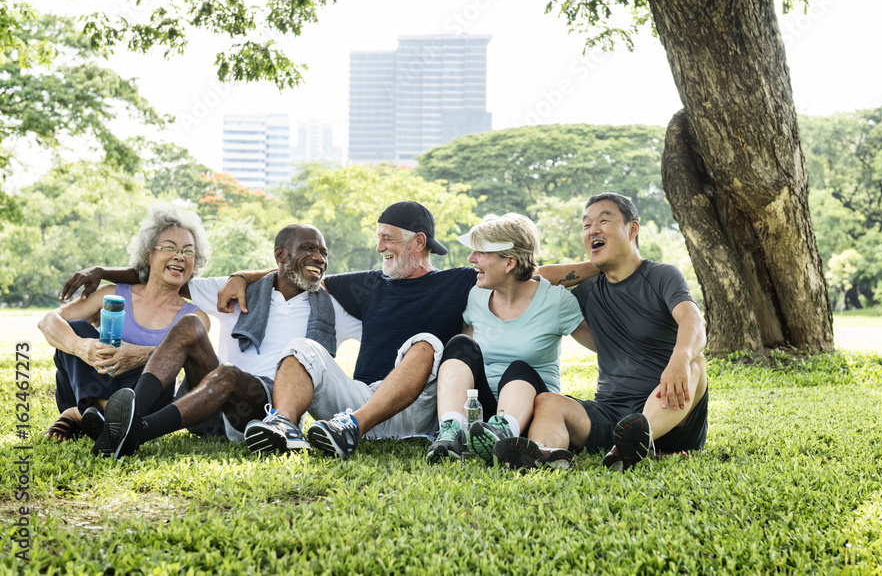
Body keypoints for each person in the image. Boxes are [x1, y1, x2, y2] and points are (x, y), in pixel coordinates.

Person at [226, 201, 594, 460]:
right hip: (359, 399)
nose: (378, 247)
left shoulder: (463, 282)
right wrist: (243, 276)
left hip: (416, 406)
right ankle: (284, 427)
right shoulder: (367, 283)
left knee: (428, 341)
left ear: (418, 242)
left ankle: (353, 428)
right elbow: (306, 272)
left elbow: (527, 273)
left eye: (387, 238)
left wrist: (607, 263)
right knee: (301, 347)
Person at [61, 224, 361, 459]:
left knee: (228, 373)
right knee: (190, 324)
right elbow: (165, 276)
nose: (319, 258)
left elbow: (376, 323)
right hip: (206, 405)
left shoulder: (333, 308)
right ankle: (131, 412)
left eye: (323, 253)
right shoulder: (236, 291)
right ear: (280, 254)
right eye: (308, 248)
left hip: (261, 411)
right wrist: (102, 272)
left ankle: (135, 432)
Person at [494, 193, 708, 472]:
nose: (593, 230)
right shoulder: (588, 290)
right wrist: (593, 266)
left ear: (632, 229)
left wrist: (679, 358)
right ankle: (546, 455)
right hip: (611, 415)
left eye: (604, 220)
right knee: (548, 402)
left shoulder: (661, 276)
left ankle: (639, 438)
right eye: (586, 225)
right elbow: (531, 277)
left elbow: (693, 319)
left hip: (670, 414)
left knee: (695, 363)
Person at [38, 204, 212, 442]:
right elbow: (48, 321)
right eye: (170, 247)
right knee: (77, 328)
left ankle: (83, 415)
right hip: (88, 385)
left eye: (188, 251)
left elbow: (186, 358)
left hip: (141, 401)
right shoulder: (112, 294)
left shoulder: (195, 318)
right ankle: (100, 411)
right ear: (148, 254)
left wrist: (140, 355)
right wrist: (81, 347)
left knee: (159, 370)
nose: (180, 256)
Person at [426, 213, 590, 464]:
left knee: (519, 367)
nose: (471, 259)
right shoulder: (477, 297)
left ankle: (505, 432)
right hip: (484, 417)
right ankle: (451, 432)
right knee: (460, 344)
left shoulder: (556, 301)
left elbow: (603, 347)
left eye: (480, 253)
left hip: (531, 410)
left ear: (509, 263)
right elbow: (464, 362)